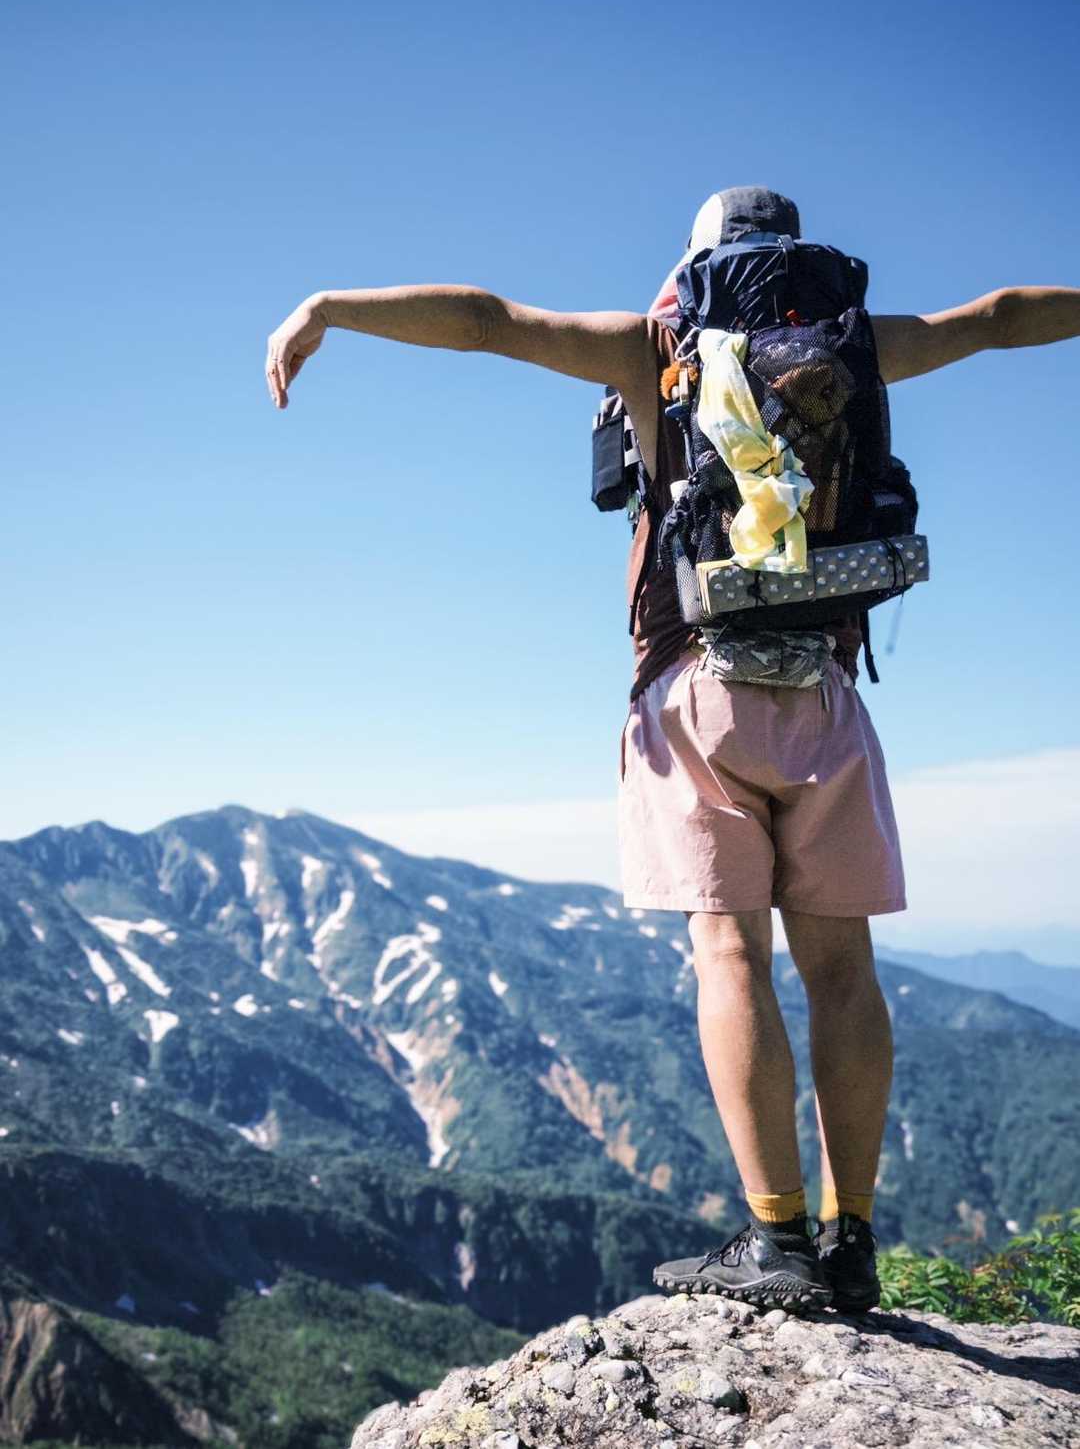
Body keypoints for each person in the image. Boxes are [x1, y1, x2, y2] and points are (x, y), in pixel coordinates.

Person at [265, 194, 1080, 1312]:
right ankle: (851, 1241)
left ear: (698, 264)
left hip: (700, 692)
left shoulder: (658, 348)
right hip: (827, 691)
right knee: (844, 971)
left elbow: (488, 319)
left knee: (731, 955)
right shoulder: (858, 342)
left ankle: (777, 1241)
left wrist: (330, 308)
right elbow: (994, 317)